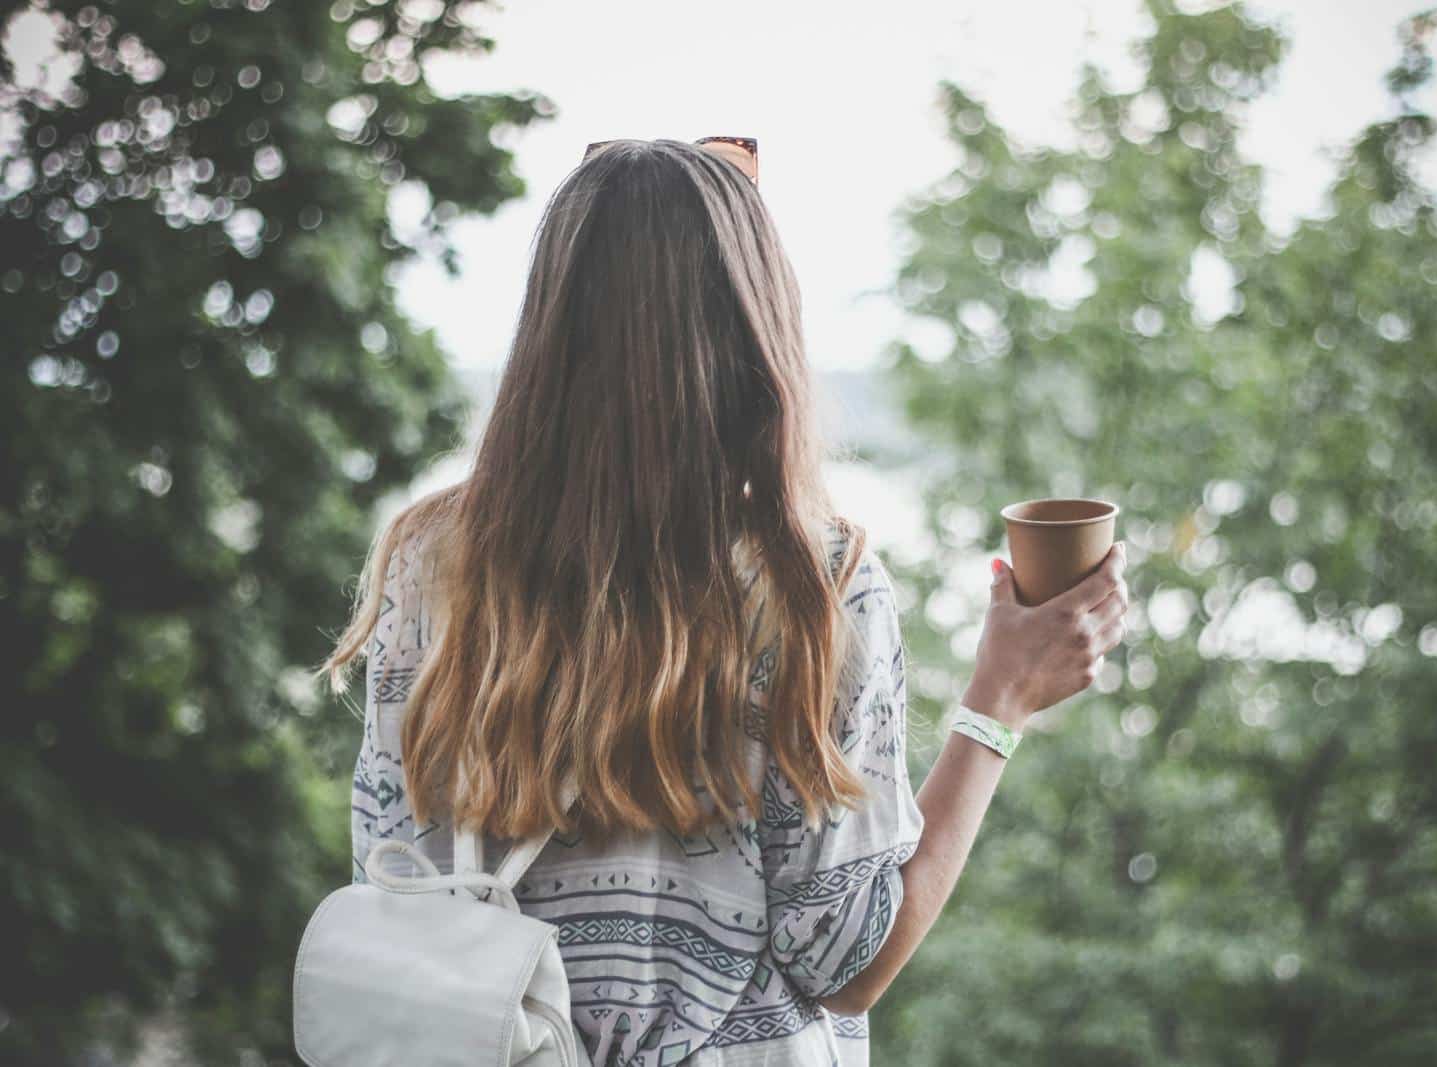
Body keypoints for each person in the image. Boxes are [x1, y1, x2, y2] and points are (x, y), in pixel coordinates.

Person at [318, 137, 1130, 1067]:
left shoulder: (433, 563)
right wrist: (1000, 701)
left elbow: (392, 888)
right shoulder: (807, 582)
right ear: (755, 332)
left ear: (549, 325)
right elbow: (845, 961)